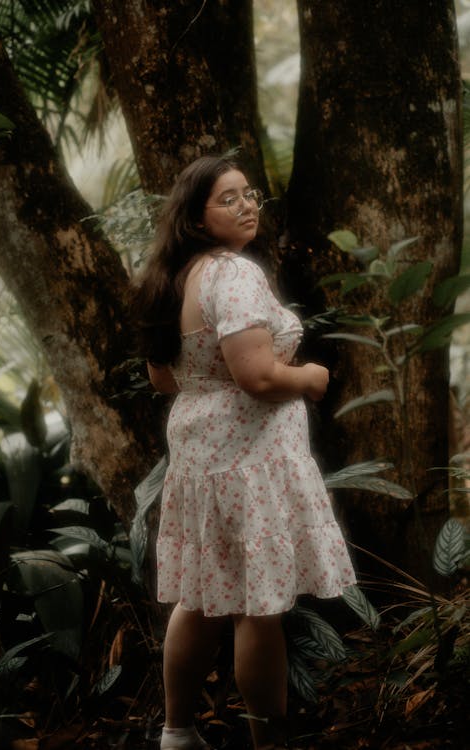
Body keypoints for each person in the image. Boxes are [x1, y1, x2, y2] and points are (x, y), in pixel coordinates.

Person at [131, 155, 356, 750]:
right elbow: (257, 377)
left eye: (247, 193)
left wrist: (214, 388)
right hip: (249, 457)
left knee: (200, 597)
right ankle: (268, 743)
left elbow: (164, 380)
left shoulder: (175, 276)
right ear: (198, 219)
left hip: (202, 453)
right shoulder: (233, 274)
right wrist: (308, 377)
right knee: (259, 608)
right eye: (226, 199)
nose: (247, 205)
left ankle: (177, 732)